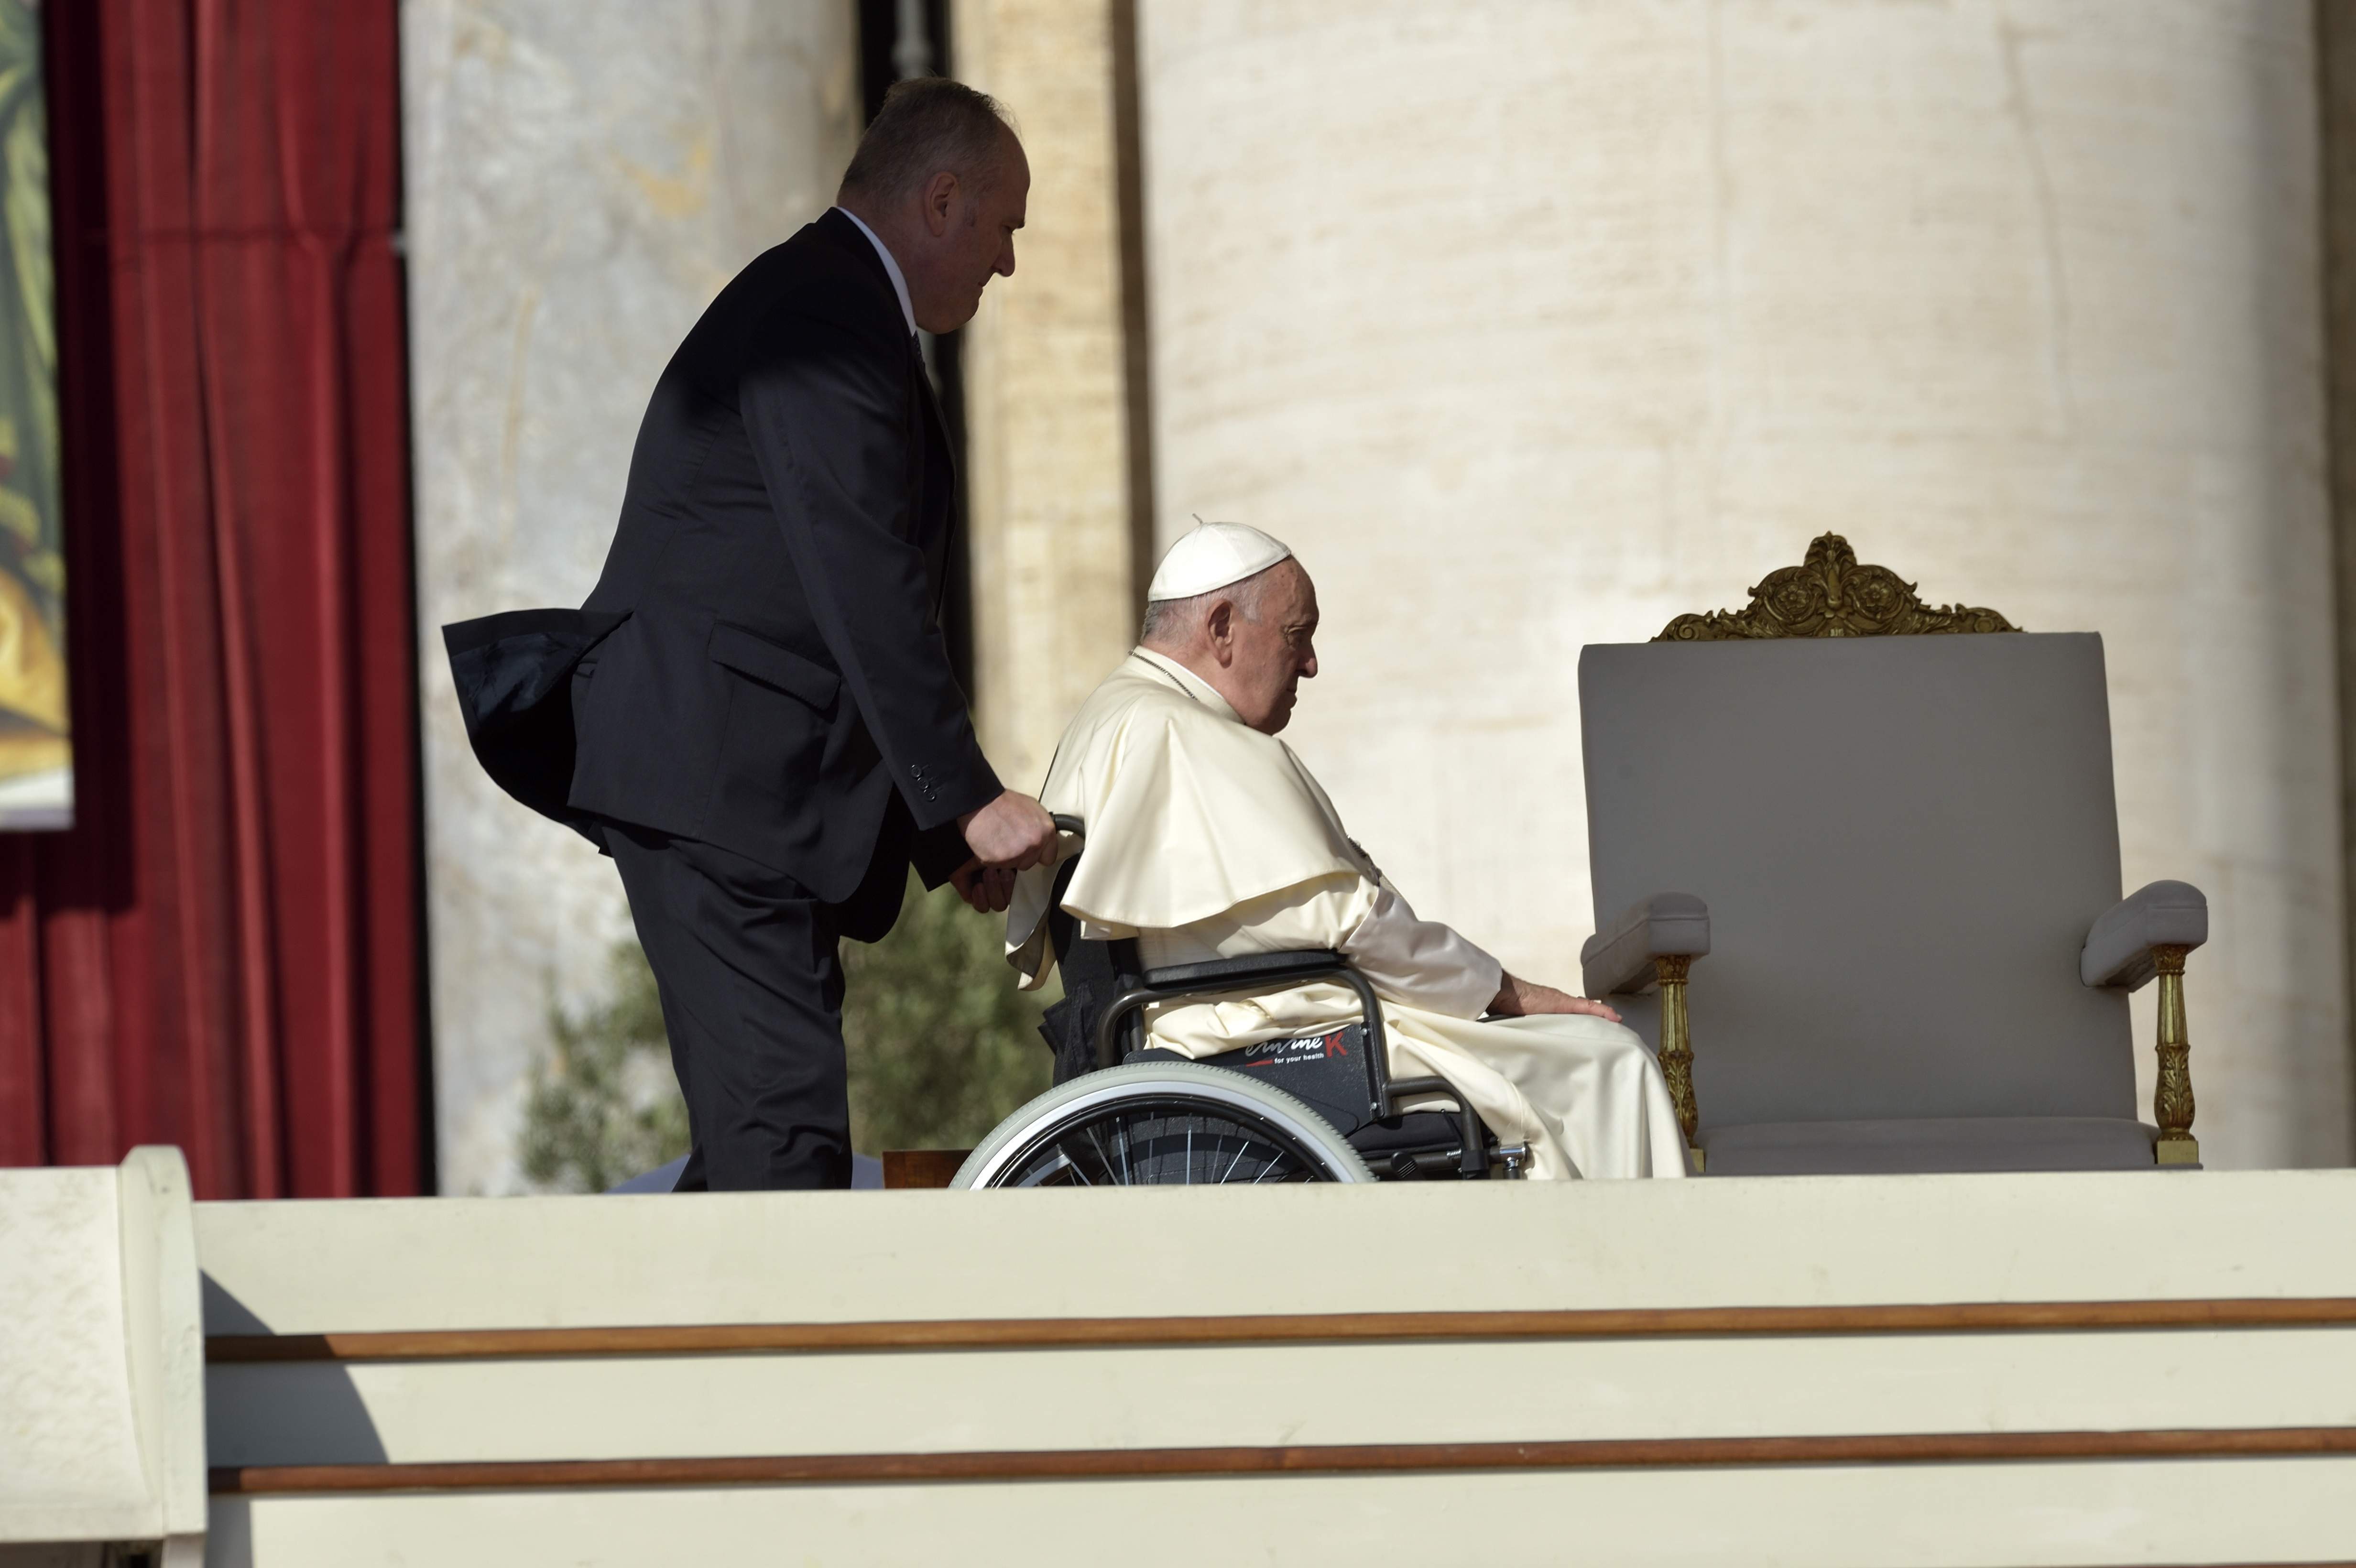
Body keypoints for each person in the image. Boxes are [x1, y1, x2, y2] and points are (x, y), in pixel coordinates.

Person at [446, 78, 1056, 1191]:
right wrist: (964, 796)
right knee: (782, 1148)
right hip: (719, 788)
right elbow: (859, 569)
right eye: (1006, 226)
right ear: (942, 199)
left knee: (768, 1148)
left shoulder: (832, 305)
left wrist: (943, 839)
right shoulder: (823, 313)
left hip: (750, 801)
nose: (1009, 262)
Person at [1003, 523, 1688, 1180]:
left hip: (1226, 1032)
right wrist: (1508, 992)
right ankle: (1644, 1291)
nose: (1311, 663)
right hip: (1265, 1045)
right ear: (1220, 629)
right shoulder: (1178, 733)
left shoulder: (1117, 716)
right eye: (1296, 635)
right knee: (1609, 1061)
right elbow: (1350, 923)